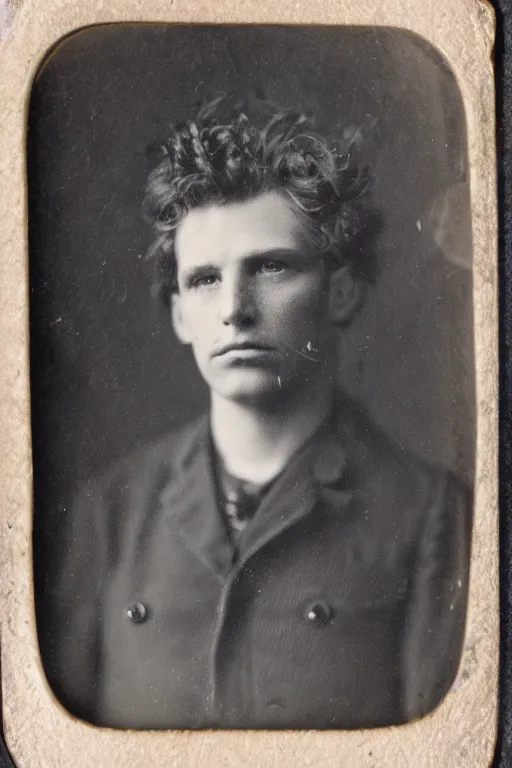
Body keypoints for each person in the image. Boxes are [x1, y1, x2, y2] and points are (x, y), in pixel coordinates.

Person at [38, 97, 471, 731]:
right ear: (181, 313)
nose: (235, 309)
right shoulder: (109, 512)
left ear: (342, 291)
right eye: (205, 279)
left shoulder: (431, 518)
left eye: (271, 267)